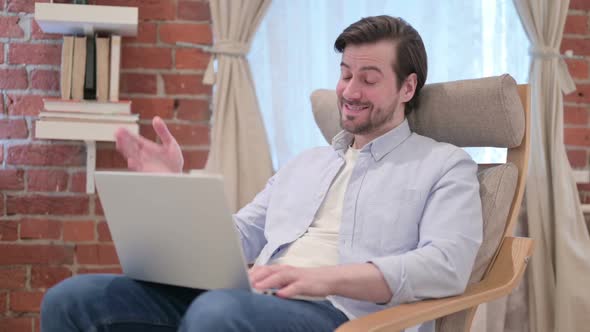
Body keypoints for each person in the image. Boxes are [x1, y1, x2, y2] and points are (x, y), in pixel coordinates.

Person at [40, 15, 482, 332]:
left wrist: (320, 278)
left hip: (342, 314)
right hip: (248, 301)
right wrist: (172, 186)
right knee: (73, 299)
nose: (348, 91)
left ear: (408, 87)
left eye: (368, 78)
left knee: (216, 314)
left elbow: (445, 266)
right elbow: (238, 237)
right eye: (345, 74)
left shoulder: (444, 165)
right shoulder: (305, 163)